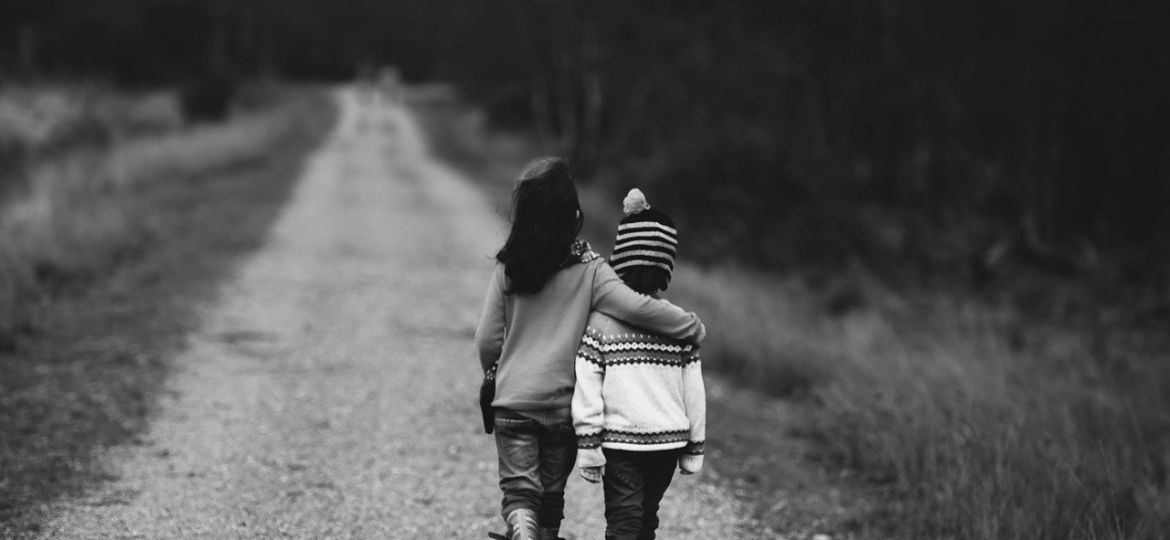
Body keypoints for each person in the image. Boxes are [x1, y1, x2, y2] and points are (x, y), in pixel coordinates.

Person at [474, 159, 706, 540]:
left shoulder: (508, 269)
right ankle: (541, 531)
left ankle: (521, 528)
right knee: (550, 496)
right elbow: (637, 307)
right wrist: (690, 326)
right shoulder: (591, 270)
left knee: (519, 491)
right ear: (575, 216)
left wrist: (496, 374)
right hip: (563, 408)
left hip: (513, 401)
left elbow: (487, 339)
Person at [571, 188, 707, 540]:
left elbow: (587, 383)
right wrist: (695, 444)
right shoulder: (679, 323)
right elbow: (694, 390)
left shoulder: (601, 322)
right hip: (667, 443)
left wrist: (588, 443)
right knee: (644, 519)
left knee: (626, 522)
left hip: (622, 445)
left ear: (621, 260)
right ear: (666, 268)